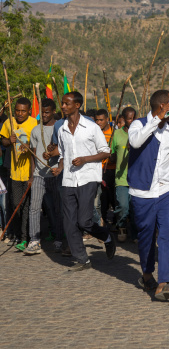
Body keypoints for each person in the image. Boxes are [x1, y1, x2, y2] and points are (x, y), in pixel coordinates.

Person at [128, 90, 169, 301]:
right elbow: (136, 142)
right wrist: (156, 120)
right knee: (146, 237)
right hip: (142, 192)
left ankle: (165, 282)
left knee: (167, 234)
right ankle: (147, 275)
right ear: (162, 107)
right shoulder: (138, 125)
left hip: (167, 191)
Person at [51, 91, 116, 271]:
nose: (63, 106)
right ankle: (82, 259)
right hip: (69, 179)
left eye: (66, 103)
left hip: (88, 177)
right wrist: (60, 168)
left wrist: (85, 159)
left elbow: (106, 152)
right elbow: (64, 155)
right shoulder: (62, 129)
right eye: (62, 103)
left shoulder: (91, 127)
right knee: (69, 222)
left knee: (84, 221)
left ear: (77, 105)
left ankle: (107, 237)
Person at [24, 99, 62, 255]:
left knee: (57, 208)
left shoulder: (60, 128)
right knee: (34, 208)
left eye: (47, 112)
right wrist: (32, 175)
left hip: (55, 174)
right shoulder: (35, 130)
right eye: (42, 112)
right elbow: (33, 155)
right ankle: (34, 240)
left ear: (53, 111)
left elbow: (64, 151)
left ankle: (59, 238)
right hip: (39, 175)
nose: (44, 115)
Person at [0, 97, 37, 251]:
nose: (20, 113)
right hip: (15, 173)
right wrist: (10, 139)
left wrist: (29, 146)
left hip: (29, 172)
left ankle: (25, 238)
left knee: (27, 205)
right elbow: (3, 141)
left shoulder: (34, 124)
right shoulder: (9, 122)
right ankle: (17, 234)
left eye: (23, 111)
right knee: (16, 205)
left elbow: (37, 147)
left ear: (29, 110)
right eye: (17, 110)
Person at [110, 106, 137, 243]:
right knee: (122, 205)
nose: (130, 121)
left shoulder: (139, 134)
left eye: (133, 118)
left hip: (136, 178)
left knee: (134, 207)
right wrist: (112, 157)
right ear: (123, 119)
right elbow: (113, 152)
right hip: (121, 178)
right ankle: (121, 226)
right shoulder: (117, 134)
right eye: (128, 118)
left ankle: (135, 232)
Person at [95, 109, 116, 227]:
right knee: (101, 198)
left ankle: (116, 222)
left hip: (111, 169)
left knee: (112, 197)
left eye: (101, 120)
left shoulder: (114, 133)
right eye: (97, 120)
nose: (98, 122)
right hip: (98, 169)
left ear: (107, 120)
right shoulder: (94, 133)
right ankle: (101, 222)